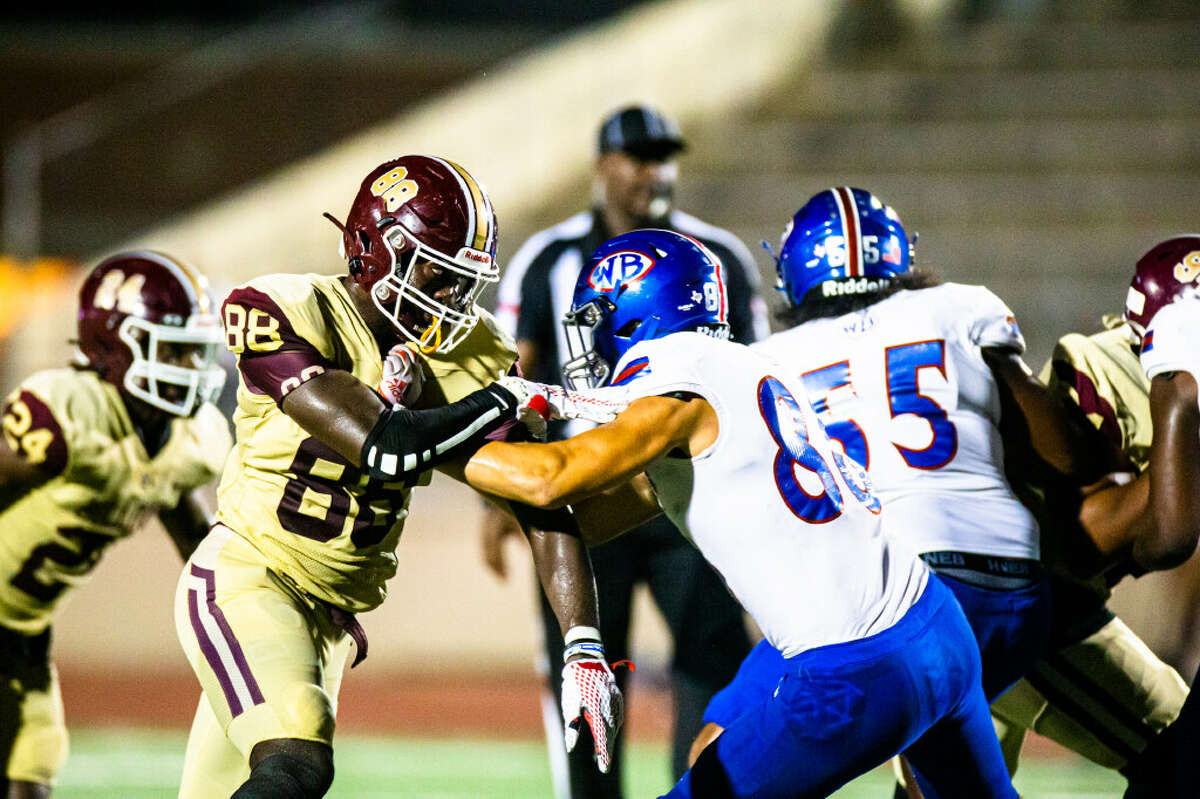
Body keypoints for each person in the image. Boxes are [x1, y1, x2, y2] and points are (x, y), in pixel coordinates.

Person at [462, 229, 1020, 798]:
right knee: (715, 744)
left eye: (598, 320)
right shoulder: (739, 366)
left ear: (632, 313)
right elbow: (589, 516)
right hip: (935, 628)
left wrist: (430, 442)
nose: (594, 342)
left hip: (855, 664)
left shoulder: (673, 366)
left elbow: (551, 476)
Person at [173, 154, 621, 799]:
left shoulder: (469, 348)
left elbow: (537, 497)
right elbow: (383, 445)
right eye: (438, 275)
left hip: (330, 619)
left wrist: (581, 643)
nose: (451, 300)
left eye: (463, 283)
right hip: (251, 577)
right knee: (297, 761)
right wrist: (502, 400)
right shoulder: (284, 307)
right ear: (373, 250)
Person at [685, 187, 1112, 799]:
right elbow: (1063, 456)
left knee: (724, 748)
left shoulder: (766, 363)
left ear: (794, 270)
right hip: (1012, 595)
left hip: (889, 591)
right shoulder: (958, 309)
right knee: (935, 769)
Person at [483, 104, 765, 796]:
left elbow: (757, 372)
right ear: (601, 166)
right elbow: (513, 375)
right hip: (595, 488)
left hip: (686, 494)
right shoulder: (548, 258)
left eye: (664, 156)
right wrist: (501, 503)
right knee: (587, 668)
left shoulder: (717, 256)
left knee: (713, 663)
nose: (655, 172)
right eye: (639, 157)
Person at [0, 250, 231, 798]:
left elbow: (202, 547)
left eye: (195, 352)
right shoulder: (66, 412)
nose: (190, 368)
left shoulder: (188, 440)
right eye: (173, 349)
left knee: (30, 774)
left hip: (24, 634)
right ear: (112, 346)